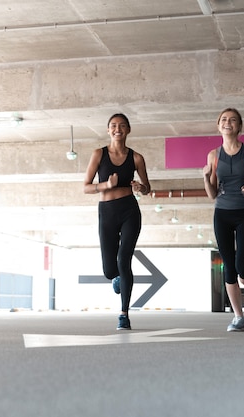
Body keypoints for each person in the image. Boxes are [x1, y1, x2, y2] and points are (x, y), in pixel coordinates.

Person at [202, 108, 244, 332]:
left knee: (242, 265)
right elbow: (212, 194)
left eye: (232, 120)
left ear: (239, 126)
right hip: (222, 213)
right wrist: (204, 177)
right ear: (218, 125)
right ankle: (238, 318)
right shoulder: (213, 155)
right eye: (223, 120)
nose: (227, 123)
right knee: (229, 269)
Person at [84, 113, 151, 330]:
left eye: (122, 125)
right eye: (113, 125)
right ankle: (115, 278)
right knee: (110, 270)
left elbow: (147, 187)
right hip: (107, 212)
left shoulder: (137, 158)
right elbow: (85, 187)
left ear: (128, 130)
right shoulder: (98, 154)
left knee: (124, 261)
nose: (117, 129)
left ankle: (124, 314)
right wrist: (105, 185)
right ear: (108, 130)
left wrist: (141, 188)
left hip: (129, 210)